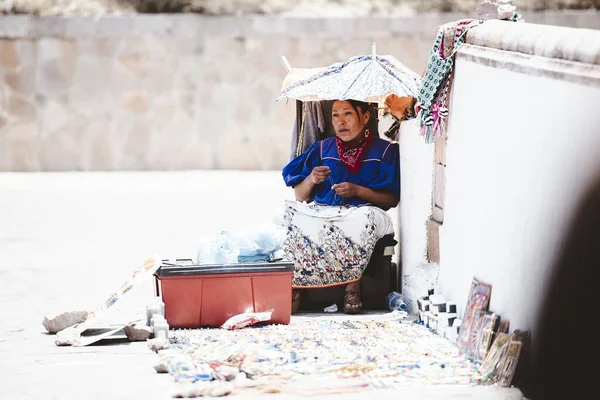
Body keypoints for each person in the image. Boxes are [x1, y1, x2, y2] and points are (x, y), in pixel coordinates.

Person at [281, 99, 400, 314]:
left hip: (363, 212)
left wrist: (358, 191)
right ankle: (297, 286)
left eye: (347, 114)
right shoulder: (322, 148)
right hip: (326, 212)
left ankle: (352, 286)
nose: (340, 121)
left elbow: (391, 200)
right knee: (290, 214)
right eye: (335, 115)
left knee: (362, 220)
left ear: (365, 117)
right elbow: (300, 196)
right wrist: (311, 179)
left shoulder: (384, 151)